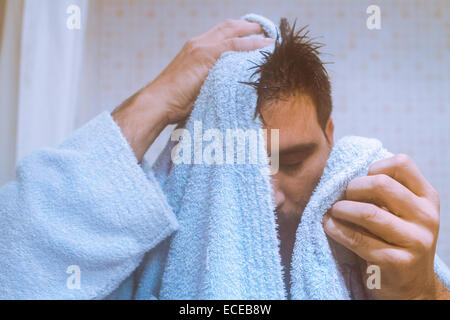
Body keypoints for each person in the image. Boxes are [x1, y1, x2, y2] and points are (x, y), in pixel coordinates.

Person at [0, 18, 448, 299]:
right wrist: (156, 100)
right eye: (241, 171)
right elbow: (16, 262)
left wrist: (421, 292)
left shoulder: (380, 241)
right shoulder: (157, 247)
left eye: (291, 162)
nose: (268, 195)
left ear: (331, 137)